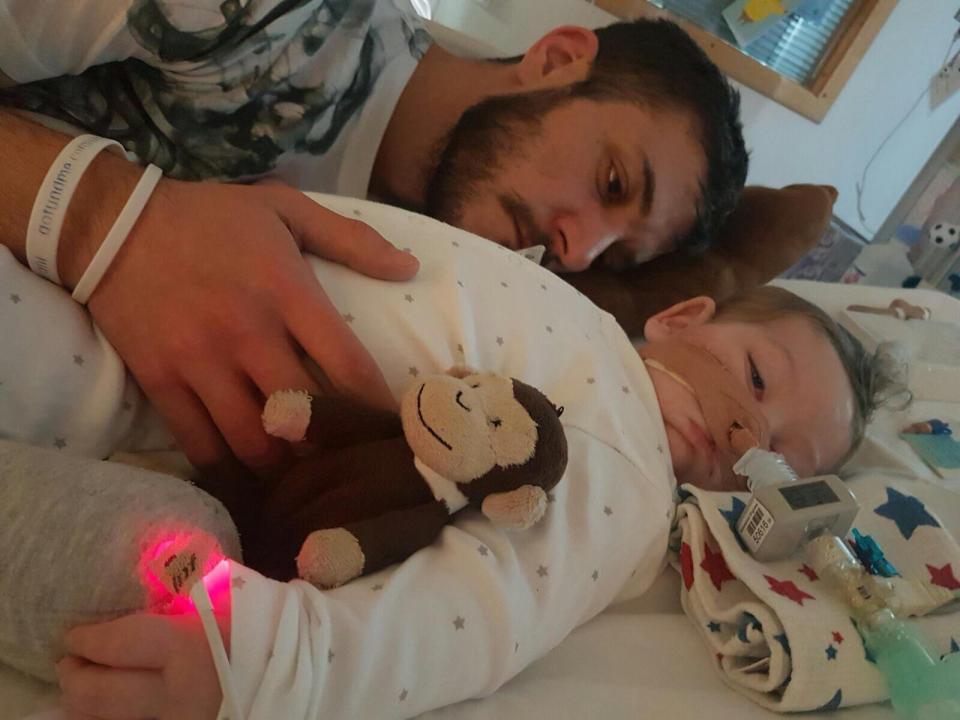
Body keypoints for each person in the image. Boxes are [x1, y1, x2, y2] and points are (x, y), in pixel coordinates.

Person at [0, 195, 887, 719]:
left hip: (122, 362)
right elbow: (486, 608)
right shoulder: (595, 358)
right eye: (756, 378)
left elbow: (484, 600)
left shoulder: (632, 478)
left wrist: (264, 659)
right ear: (682, 320)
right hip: (141, 296)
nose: (740, 434)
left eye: (773, 457)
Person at [0, 0, 747, 475]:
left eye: (613, 256)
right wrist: (100, 219)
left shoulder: (434, 304)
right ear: (554, 61)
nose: (577, 252)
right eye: (613, 182)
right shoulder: (274, 18)